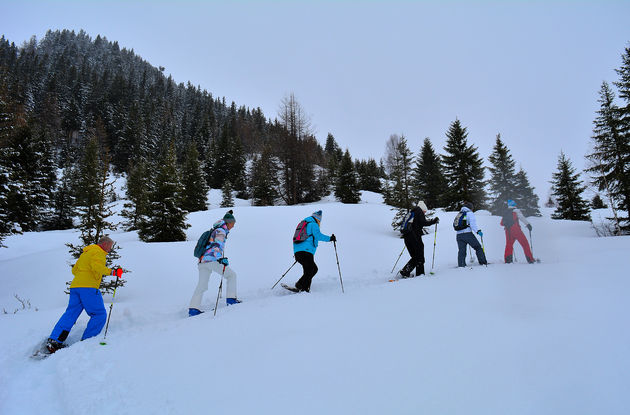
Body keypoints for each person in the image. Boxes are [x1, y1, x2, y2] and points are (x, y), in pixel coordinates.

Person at [46, 236, 124, 353]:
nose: (110, 249)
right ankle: (88, 342)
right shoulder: (99, 252)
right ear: (104, 244)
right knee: (99, 314)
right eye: (110, 246)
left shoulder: (86, 253)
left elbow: (75, 270)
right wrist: (113, 272)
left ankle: (54, 341)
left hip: (75, 287)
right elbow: (96, 267)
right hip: (89, 288)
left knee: (71, 314)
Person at [189, 210, 240, 316]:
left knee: (202, 285)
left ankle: (193, 309)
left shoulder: (216, 229)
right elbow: (216, 246)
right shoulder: (221, 231)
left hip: (202, 261)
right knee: (231, 275)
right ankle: (231, 300)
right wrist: (219, 259)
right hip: (211, 260)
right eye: (233, 224)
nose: (233, 226)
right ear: (229, 223)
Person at [286, 210, 335, 293]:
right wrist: (330, 238)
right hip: (306, 252)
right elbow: (318, 236)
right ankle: (302, 287)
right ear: (318, 219)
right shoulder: (313, 224)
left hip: (298, 252)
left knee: (312, 269)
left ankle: (303, 286)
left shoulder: (304, 223)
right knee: (311, 270)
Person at [398, 201, 439, 278]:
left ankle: (406, 271)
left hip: (407, 237)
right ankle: (420, 275)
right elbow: (423, 222)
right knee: (420, 256)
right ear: (423, 208)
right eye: (425, 211)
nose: (424, 213)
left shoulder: (412, 212)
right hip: (415, 237)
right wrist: (433, 221)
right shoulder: (419, 211)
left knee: (415, 256)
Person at [501, 199, 535, 264]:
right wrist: (528, 224)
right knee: (525, 244)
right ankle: (530, 259)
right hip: (516, 230)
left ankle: (508, 260)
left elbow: (501, 223)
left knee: (509, 245)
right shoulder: (516, 211)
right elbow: (522, 218)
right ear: (514, 204)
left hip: (508, 231)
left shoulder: (506, 212)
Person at [455, 201, 488, 267]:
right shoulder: (470, 213)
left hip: (459, 235)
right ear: (470, 208)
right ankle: (483, 262)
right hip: (467, 234)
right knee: (478, 247)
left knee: (462, 251)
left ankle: (461, 265)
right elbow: (473, 225)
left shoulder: (459, 213)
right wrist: (478, 231)